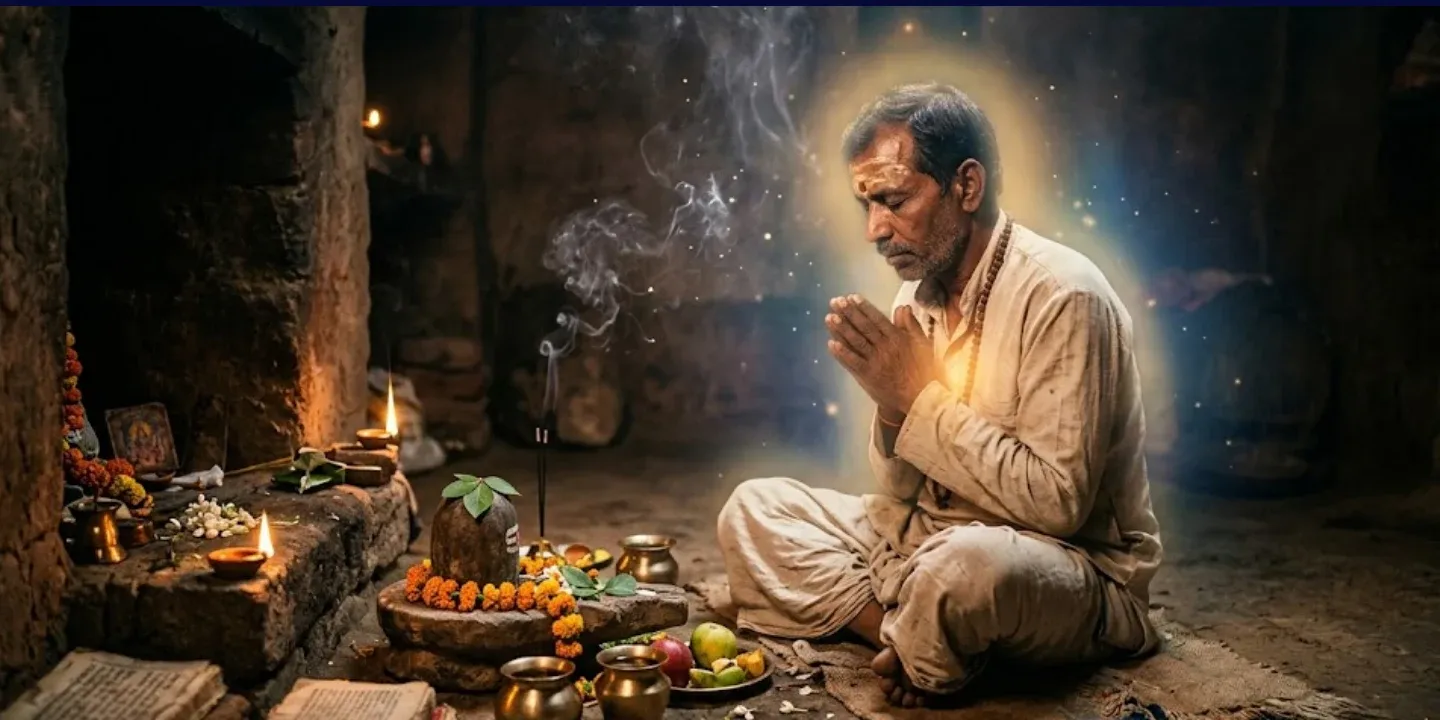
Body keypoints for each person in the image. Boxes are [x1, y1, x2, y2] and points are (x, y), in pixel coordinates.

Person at [716, 83, 1163, 707]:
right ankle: (909, 638)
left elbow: (1058, 504)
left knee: (966, 570)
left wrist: (917, 396)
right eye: (867, 204)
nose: (875, 228)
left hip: (1065, 565)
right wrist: (892, 406)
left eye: (894, 200)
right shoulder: (917, 295)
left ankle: (925, 633)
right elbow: (899, 492)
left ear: (967, 187)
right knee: (755, 508)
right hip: (927, 537)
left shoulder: (1065, 296)